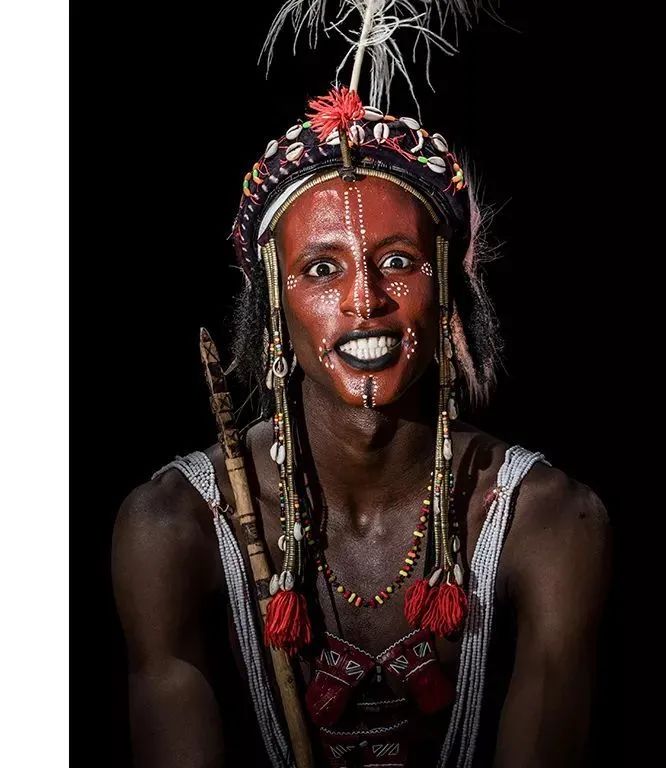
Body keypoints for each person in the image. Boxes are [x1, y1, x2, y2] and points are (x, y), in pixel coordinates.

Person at [112, 5, 612, 767]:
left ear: (444, 290)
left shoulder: (546, 521)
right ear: (273, 306)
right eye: (321, 268)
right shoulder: (173, 529)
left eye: (398, 261)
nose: (364, 299)